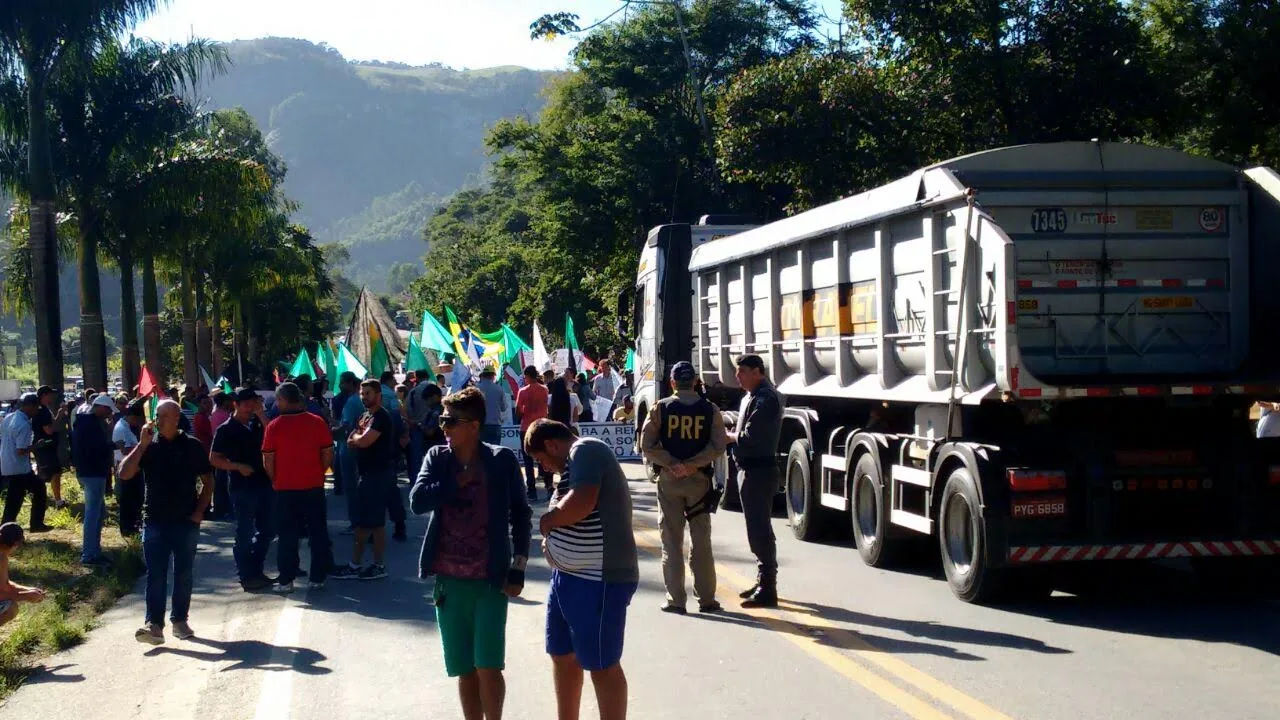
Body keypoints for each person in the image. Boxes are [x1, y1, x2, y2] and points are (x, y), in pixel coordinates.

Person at [409, 387, 532, 720]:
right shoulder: (438, 458)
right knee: (464, 670)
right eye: (442, 420)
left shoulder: (500, 460)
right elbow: (417, 501)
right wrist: (457, 482)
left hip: (490, 580)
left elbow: (521, 514)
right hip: (449, 583)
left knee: (488, 666)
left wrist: (518, 565)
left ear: (475, 425)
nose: (444, 428)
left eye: (451, 421)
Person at [525, 419, 638, 720]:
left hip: (599, 579)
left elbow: (583, 502)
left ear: (551, 444)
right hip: (568, 579)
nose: (544, 468)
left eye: (541, 460)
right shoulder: (572, 467)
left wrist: (548, 522)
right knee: (562, 655)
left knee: (602, 665)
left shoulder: (585, 449)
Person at [118, 400, 214, 645]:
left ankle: (180, 620)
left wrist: (200, 511)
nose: (157, 420)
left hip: (185, 520)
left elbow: (208, 480)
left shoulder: (192, 446)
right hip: (154, 520)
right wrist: (141, 444)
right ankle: (154, 625)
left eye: (162, 416)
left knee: (183, 574)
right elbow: (124, 474)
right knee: (155, 575)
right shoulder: (149, 445)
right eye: (156, 415)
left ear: (176, 418)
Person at [640, 361, 728, 614]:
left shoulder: (661, 408)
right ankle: (707, 600)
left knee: (671, 542)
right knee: (701, 542)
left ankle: (676, 600)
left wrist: (672, 464)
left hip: (669, 482)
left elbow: (647, 444)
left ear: (672, 382)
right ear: (696, 382)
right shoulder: (710, 410)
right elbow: (718, 446)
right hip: (699, 483)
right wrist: (691, 466)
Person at [262, 382, 334, 593]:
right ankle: (318, 577)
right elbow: (327, 453)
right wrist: (318, 472)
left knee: (287, 535)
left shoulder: (273, 426)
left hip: (285, 489)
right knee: (317, 532)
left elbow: (268, 461)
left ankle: (286, 579)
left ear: (283, 400)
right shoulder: (317, 422)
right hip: (313, 486)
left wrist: (276, 479)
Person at [726, 354, 784, 608]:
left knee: (760, 530)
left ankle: (768, 586)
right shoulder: (751, 396)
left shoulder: (765, 398)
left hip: (759, 472)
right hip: (749, 470)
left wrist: (728, 436)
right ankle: (763, 579)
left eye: (743, 372)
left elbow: (752, 436)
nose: (738, 376)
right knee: (755, 529)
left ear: (757, 371)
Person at [210, 388, 276, 592]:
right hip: (242, 487)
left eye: (253, 402)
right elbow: (214, 458)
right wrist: (237, 466)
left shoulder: (258, 423)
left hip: (265, 483)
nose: (250, 406)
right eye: (246, 403)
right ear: (235, 405)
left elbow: (273, 435)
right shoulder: (226, 429)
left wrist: (261, 415)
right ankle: (246, 575)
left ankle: (256, 570)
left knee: (267, 531)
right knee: (245, 533)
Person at [332, 379, 395, 580]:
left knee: (368, 524)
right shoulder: (365, 415)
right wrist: (357, 439)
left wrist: (357, 439)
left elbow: (364, 440)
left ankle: (362, 565)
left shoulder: (381, 417)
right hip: (366, 473)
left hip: (378, 474)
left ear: (378, 395)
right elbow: (352, 438)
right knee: (371, 523)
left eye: (368, 393)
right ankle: (368, 564)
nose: (364, 397)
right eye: (362, 393)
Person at [71, 395, 117, 567]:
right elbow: (94, 449)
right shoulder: (89, 425)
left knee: (98, 513)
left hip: (91, 472)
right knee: (92, 513)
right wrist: (113, 445)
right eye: (108, 410)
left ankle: (94, 550)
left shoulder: (87, 422)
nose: (109, 414)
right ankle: (89, 554)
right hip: (92, 472)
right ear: (100, 408)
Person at [1, 394, 50, 532]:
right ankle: (33, 525)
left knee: (16, 498)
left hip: (7, 464)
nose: (37, 411)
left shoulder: (9, 417)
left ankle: (8, 528)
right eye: (36, 408)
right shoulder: (23, 425)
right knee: (19, 499)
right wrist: (37, 446)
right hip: (18, 468)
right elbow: (21, 451)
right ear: (29, 406)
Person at [0, 523, 46, 628]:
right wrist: (25, 596)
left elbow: (4, 584)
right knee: (10, 608)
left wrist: (28, 590)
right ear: (15, 543)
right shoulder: (1, 558)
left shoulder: (2, 554)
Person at [515, 366, 550, 500]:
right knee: (544, 456)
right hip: (541, 424)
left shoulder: (523, 391)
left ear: (527, 376)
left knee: (527, 460)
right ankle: (549, 487)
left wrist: (522, 415)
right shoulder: (545, 389)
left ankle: (532, 490)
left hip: (526, 427)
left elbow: (518, 410)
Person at [113, 402, 146, 537]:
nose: (138, 422)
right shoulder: (121, 428)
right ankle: (127, 528)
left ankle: (134, 524)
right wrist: (141, 448)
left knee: (136, 498)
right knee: (127, 499)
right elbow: (124, 449)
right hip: (125, 467)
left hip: (135, 467)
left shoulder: (129, 427)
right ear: (131, 416)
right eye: (137, 419)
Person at [33, 386, 67, 511]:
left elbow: (53, 422)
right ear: (44, 395)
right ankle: (52, 500)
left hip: (48, 447)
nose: (53, 396)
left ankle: (51, 499)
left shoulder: (46, 409)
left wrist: (60, 413)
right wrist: (56, 428)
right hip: (44, 447)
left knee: (52, 472)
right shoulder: (41, 410)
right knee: (50, 473)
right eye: (51, 394)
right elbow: (48, 430)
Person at [207, 391, 234, 519]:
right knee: (223, 482)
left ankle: (220, 508)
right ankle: (225, 509)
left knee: (220, 482)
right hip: (224, 453)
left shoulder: (214, 414)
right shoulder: (225, 416)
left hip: (218, 451)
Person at [476, 368, 508, 446]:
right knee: (495, 452)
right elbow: (503, 407)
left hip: (480, 426)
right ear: (493, 376)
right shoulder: (499, 389)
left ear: (482, 376)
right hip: (495, 425)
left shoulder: (476, 389)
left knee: (481, 453)